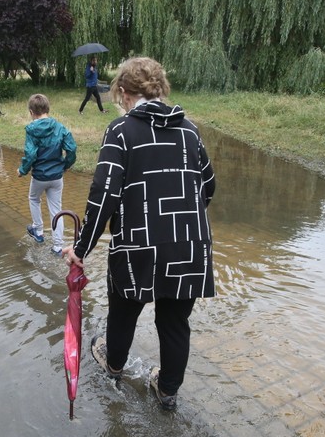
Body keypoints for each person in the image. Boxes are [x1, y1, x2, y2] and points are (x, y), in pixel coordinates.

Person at [62, 57, 215, 411]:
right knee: (175, 323)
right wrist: (182, 225)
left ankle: (113, 364)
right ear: (160, 90)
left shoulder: (121, 131)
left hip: (137, 248)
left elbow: (103, 196)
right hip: (189, 247)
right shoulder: (190, 130)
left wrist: (81, 248)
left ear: (126, 93)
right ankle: (167, 391)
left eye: (121, 96)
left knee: (124, 313)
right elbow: (208, 186)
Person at [18, 94, 77, 256]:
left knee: (34, 199)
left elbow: (30, 154)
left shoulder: (31, 130)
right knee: (56, 210)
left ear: (31, 112)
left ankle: (38, 230)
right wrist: (65, 165)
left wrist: (22, 170)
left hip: (39, 177)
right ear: (47, 109)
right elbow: (71, 149)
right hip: (57, 177)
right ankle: (58, 246)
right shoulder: (59, 127)